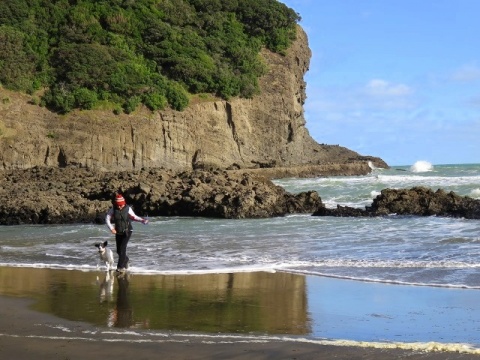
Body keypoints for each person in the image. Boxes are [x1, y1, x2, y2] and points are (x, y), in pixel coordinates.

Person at [105, 193, 148, 273]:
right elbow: (107, 219)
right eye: (118, 205)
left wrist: (142, 220)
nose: (119, 207)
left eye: (121, 205)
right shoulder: (113, 209)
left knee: (122, 249)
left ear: (123, 203)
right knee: (118, 251)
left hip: (127, 231)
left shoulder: (128, 209)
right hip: (118, 232)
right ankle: (126, 260)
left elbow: (134, 217)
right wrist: (111, 228)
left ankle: (120, 267)